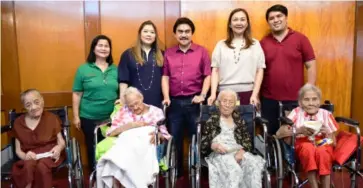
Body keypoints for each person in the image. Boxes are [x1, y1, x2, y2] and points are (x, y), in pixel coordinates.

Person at [162, 17, 211, 178]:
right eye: (180, 31)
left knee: (196, 138)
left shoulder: (202, 51)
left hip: (194, 102)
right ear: (175, 34)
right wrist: (166, 97)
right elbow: (165, 77)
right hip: (174, 103)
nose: (183, 34)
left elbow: (208, 76)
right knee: (174, 138)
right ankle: (177, 171)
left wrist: (203, 95)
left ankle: (196, 169)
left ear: (192, 33)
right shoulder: (168, 53)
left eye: (187, 31)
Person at [96, 87, 171, 188]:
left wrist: (159, 135)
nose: (135, 108)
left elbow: (165, 134)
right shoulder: (123, 112)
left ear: (142, 98)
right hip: (127, 144)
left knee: (124, 161)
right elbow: (110, 133)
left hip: (146, 145)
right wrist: (130, 126)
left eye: (137, 103)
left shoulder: (156, 112)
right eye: (131, 106)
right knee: (123, 155)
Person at [260, 4, 317, 134]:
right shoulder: (263, 43)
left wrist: (309, 90)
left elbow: (311, 64)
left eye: (279, 16)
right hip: (269, 99)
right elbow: (258, 70)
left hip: (294, 99)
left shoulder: (300, 39)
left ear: (286, 18)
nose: (276, 20)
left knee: (293, 136)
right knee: (271, 135)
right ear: (268, 22)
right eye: (271, 18)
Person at [276, 84, 337, 188]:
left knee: (323, 153)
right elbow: (278, 134)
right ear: (300, 102)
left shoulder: (326, 114)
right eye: (306, 100)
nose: (311, 103)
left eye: (314, 99)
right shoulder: (296, 112)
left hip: (322, 142)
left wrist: (328, 133)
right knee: (308, 149)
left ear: (319, 101)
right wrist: (299, 130)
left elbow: (333, 142)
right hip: (302, 142)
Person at [201, 89, 265, 188]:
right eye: (224, 101)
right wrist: (213, 145)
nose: (227, 105)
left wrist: (242, 151)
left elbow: (247, 141)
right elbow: (203, 144)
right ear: (218, 103)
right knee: (233, 169)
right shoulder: (212, 120)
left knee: (254, 163)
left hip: (237, 151)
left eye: (231, 102)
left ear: (235, 105)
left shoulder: (239, 120)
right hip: (220, 153)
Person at [72, 35, 118, 170]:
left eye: (106, 46)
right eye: (100, 45)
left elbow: (122, 91)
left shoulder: (115, 69)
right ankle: (95, 177)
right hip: (89, 117)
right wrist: (75, 116)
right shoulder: (83, 69)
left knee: (110, 148)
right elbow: (77, 93)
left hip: (112, 119)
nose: (103, 48)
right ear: (93, 48)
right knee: (93, 148)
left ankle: (110, 177)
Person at [208, 8, 265, 107]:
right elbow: (215, 70)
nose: (239, 22)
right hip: (224, 94)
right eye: (235, 20)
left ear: (247, 24)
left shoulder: (255, 44)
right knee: (223, 122)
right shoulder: (221, 45)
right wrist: (213, 94)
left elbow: (259, 70)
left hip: (248, 94)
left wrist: (255, 95)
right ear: (230, 24)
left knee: (245, 122)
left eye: (242, 19)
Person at [11, 89, 65, 188]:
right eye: (28, 105)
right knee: (28, 166)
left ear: (42, 100)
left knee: (41, 167)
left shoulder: (52, 118)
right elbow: (18, 151)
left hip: (50, 155)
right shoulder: (18, 123)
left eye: (36, 102)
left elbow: (61, 141)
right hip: (30, 156)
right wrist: (26, 156)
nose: (33, 107)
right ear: (24, 107)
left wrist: (58, 148)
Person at [117, 20, 164, 108]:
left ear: (155, 36)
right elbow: (123, 80)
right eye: (145, 31)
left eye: (152, 32)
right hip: (134, 104)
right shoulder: (128, 54)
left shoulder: (162, 54)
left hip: (157, 102)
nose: (148, 34)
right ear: (140, 34)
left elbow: (166, 79)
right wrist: (122, 100)